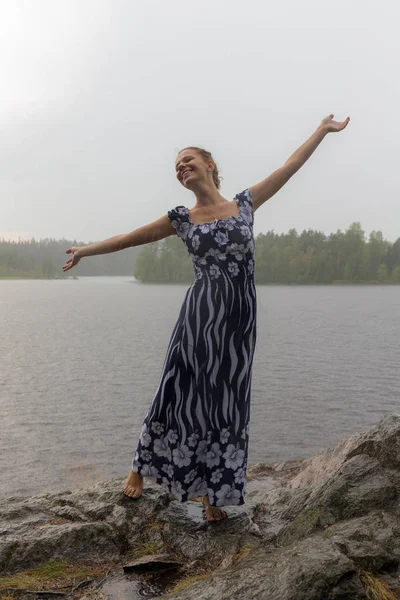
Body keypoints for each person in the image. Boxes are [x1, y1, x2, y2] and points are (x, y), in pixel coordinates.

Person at [62, 114, 350, 522]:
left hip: (239, 318)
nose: (181, 167)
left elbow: (289, 167)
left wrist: (321, 131)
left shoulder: (244, 204)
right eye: (177, 165)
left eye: (188, 159)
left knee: (226, 400)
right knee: (178, 386)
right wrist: (85, 251)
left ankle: (213, 492)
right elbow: (130, 237)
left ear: (209, 165)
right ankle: (140, 467)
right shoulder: (182, 218)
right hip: (201, 314)